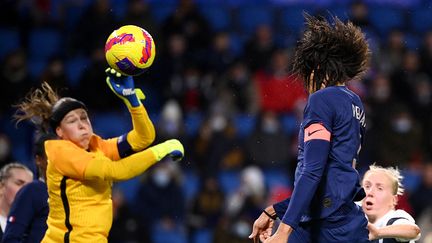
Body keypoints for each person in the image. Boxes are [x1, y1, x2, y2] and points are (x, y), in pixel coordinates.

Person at [13, 68, 184, 243]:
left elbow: (144, 137)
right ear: (59, 131)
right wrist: (161, 150)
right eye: (72, 121)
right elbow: (116, 171)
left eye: (84, 118)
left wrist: (132, 100)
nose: (81, 125)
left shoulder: (96, 146)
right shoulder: (60, 152)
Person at [249, 15, 370, 242]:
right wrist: (273, 210)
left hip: (322, 225)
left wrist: (284, 231)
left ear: (315, 70)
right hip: (347, 219)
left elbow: (313, 170)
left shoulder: (321, 100)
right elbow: (334, 175)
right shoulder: (355, 102)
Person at [2, 133, 55, 242]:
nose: (57, 160)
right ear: (39, 160)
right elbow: (11, 239)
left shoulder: (73, 190)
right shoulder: (33, 190)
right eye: (52, 156)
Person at [362, 164, 421, 243]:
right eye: (367, 186)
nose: (370, 192)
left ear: (393, 200)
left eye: (380, 188)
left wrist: (378, 233)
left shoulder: (394, 218)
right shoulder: (356, 220)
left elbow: (413, 231)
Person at [0, 163, 34, 238]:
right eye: (19, 183)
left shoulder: (32, 230)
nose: (25, 190)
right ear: (1, 187)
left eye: (29, 187)